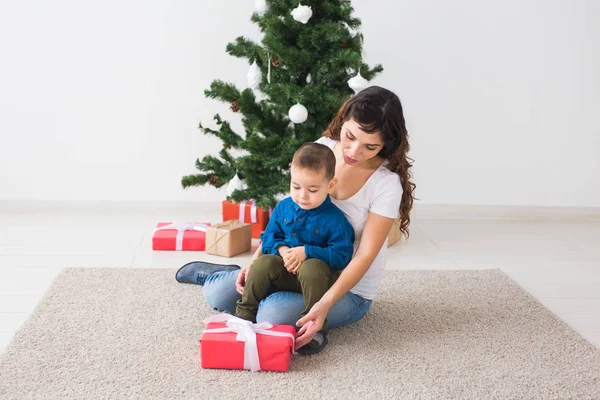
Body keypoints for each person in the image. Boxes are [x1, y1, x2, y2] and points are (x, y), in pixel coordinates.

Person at [176, 85, 415, 354]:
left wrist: (323, 305)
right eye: (350, 136)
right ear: (344, 118)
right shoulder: (323, 149)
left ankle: (270, 291)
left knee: (272, 313)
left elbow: (364, 255)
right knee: (218, 295)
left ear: (387, 145)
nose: (354, 151)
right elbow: (286, 216)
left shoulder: (386, 184)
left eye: (370, 147)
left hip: (345, 287)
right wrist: (255, 263)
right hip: (288, 265)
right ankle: (222, 274)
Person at [234, 143, 355, 354]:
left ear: (330, 185)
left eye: (312, 189)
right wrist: (280, 250)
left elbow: (342, 256)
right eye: (296, 186)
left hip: (317, 282)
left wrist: (307, 252)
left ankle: (314, 327)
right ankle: (244, 316)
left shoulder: (336, 220)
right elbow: (269, 236)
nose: (302, 196)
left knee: (311, 268)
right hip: (285, 275)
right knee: (264, 262)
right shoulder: (284, 207)